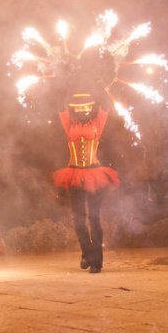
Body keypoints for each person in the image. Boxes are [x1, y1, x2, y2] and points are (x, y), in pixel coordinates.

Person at [53, 93, 119, 273]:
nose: (83, 111)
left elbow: (105, 106)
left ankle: (96, 261)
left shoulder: (97, 124)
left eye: (86, 108)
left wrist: (104, 83)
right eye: (79, 108)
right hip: (73, 174)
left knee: (94, 218)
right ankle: (86, 253)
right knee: (79, 219)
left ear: (90, 109)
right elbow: (60, 106)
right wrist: (60, 82)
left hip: (95, 175)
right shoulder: (69, 126)